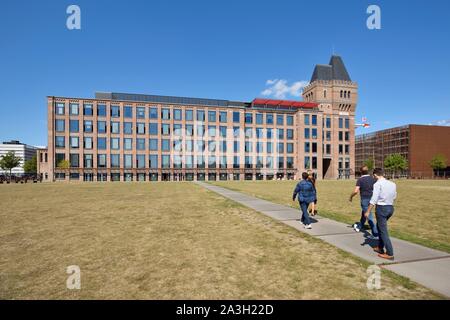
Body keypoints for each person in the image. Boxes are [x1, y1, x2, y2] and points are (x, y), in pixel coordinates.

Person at [364, 168, 397, 260]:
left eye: (373, 176)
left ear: (375, 175)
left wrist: (367, 211)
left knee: (383, 231)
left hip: (382, 209)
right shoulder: (392, 184)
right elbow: (394, 196)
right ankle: (380, 247)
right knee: (380, 227)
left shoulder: (377, 184)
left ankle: (390, 253)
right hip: (390, 208)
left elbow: (374, 199)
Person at [349, 166, 378, 238]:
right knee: (364, 213)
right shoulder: (373, 179)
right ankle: (359, 226)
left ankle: (375, 234)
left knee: (369, 216)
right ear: (368, 171)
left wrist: (351, 197)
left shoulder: (360, 180)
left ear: (361, 172)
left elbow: (356, 191)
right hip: (372, 199)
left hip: (364, 199)